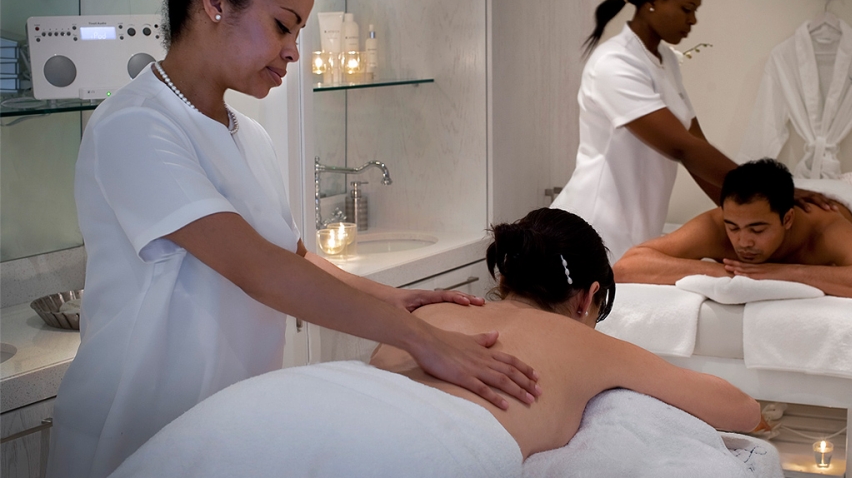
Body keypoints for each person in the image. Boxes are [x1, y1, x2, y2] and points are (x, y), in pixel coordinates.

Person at [48, 0, 538, 478]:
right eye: (283, 26)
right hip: (139, 428)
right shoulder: (135, 125)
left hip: (229, 425)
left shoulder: (249, 135)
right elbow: (259, 270)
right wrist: (420, 339)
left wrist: (392, 299)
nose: (293, 52)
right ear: (214, 2)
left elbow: (292, 256)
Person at [106, 208, 762, 478]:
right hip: (415, 446)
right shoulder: (580, 339)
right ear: (588, 298)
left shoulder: (439, 311)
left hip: (277, 401)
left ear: (503, 278)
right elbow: (740, 409)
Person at [551, 0, 832, 263]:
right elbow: (682, 147)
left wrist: (745, 217)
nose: (693, 20)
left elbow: (696, 144)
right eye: (687, 8)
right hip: (590, 227)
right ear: (653, 1)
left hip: (635, 230)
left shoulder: (664, 59)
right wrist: (770, 195)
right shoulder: (614, 63)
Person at [614, 159, 852, 307]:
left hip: (850, 200)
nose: (743, 241)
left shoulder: (824, 228)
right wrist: (722, 272)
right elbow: (627, 267)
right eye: (733, 227)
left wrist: (782, 272)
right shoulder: (716, 225)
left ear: (787, 219)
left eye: (758, 229)